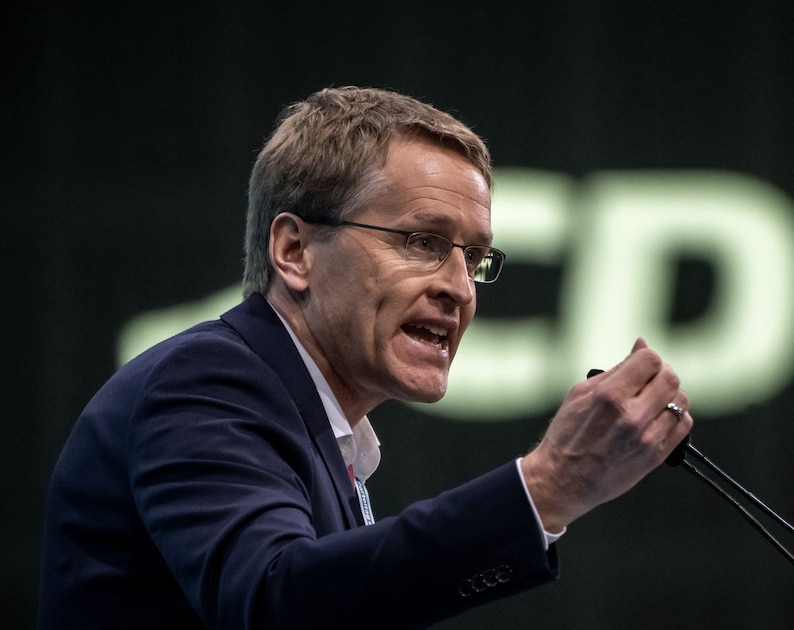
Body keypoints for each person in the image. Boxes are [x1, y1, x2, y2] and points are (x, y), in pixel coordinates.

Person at [38, 86, 693, 629]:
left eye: (474, 258)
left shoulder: (319, 428)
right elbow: (274, 605)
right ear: (294, 251)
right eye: (421, 240)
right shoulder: (208, 382)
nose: (459, 288)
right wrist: (545, 487)